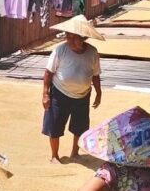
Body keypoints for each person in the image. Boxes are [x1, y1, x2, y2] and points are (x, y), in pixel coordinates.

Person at [42, 15, 104, 163]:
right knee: (55, 126)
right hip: (59, 93)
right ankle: (54, 155)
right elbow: (48, 73)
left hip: (82, 96)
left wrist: (98, 93)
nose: (70, 40)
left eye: (74, 37)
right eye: (68, 36)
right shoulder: (60, 50)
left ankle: (75, 152)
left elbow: (95, 75)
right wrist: (45, 94)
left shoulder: (92, 53)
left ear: (83, 38)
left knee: (80, 127)